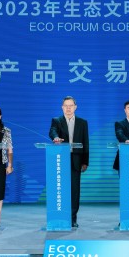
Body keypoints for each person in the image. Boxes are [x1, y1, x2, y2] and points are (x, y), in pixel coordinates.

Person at [49, 96, 89, 227]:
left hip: (76, 160)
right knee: (60, 188)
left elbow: (86, 143)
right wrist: (56, 137)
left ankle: (72, 218)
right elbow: (52, 131)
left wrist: (85, 161)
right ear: (62, 107)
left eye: (70, 106)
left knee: (74, 190)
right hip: (60, 160)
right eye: (66, 106)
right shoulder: (57, 121)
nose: (68, 108)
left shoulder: (82, 122)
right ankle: (60, 216)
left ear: (75, 107)